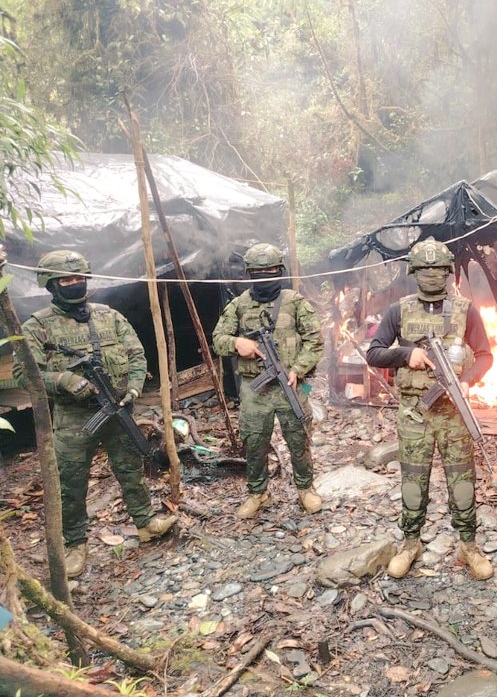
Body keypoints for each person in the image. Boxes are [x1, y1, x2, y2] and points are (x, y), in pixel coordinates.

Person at [23, 250, 177, 578]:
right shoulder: (37, 327)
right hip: (74, 419)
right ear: (51, 284)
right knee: (71, 483)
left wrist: (133, 389)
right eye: (67, 279)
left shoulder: (110, 317)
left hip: (118, 410)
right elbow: (26, 373)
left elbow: (137, 355)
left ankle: (146, 522)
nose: (75, 284)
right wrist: (64, 380)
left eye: (79, 278)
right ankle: (75, 545)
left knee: (131, 470)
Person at [365, 237, 495, 580]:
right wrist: (406, 354)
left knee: (462, 481)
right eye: (425, 268)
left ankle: (468, 546)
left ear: (449, 271)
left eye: (438, 268)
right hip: (414, 413)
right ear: (414, 271)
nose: (432, 274)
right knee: (413, 481)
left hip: (454, 414)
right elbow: (374, 352)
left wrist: (466, 381)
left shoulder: (466, 310)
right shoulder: (398, 310)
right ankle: (410, 544)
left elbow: (485, 355)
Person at [212, 242, 325, 519]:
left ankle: (305, 488)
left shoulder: (295, 302)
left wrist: (298, 368)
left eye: (271, 271)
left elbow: (314, 339)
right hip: (255, 389)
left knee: (299, 438)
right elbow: (217, 339)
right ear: (249, 274)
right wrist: (237, 343)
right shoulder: (238, 305)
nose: (265, 276)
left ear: (280, 271)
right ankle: (258, 493)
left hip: (291, 385)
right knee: (254, 442)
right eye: (259, 272)